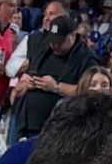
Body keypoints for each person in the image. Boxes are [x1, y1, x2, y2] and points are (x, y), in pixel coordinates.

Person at [9, 12, 92, 140]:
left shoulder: (86, 58)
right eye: (52, 40)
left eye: (60, 41)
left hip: (58, 130)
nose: (55, 45)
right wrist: (25, 83)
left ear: (72, 35)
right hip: (25, 122)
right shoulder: (43, 48)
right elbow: (23, 78)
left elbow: (90, 92)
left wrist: (56, 87)